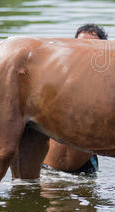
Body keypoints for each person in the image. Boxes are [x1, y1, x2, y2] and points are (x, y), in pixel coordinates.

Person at [42, 24, 107, 175]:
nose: (84, 50)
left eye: (92, 46)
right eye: (80, 44)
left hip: (84, 170)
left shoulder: (107, 87)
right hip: (46, 169)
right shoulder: (54, 78)